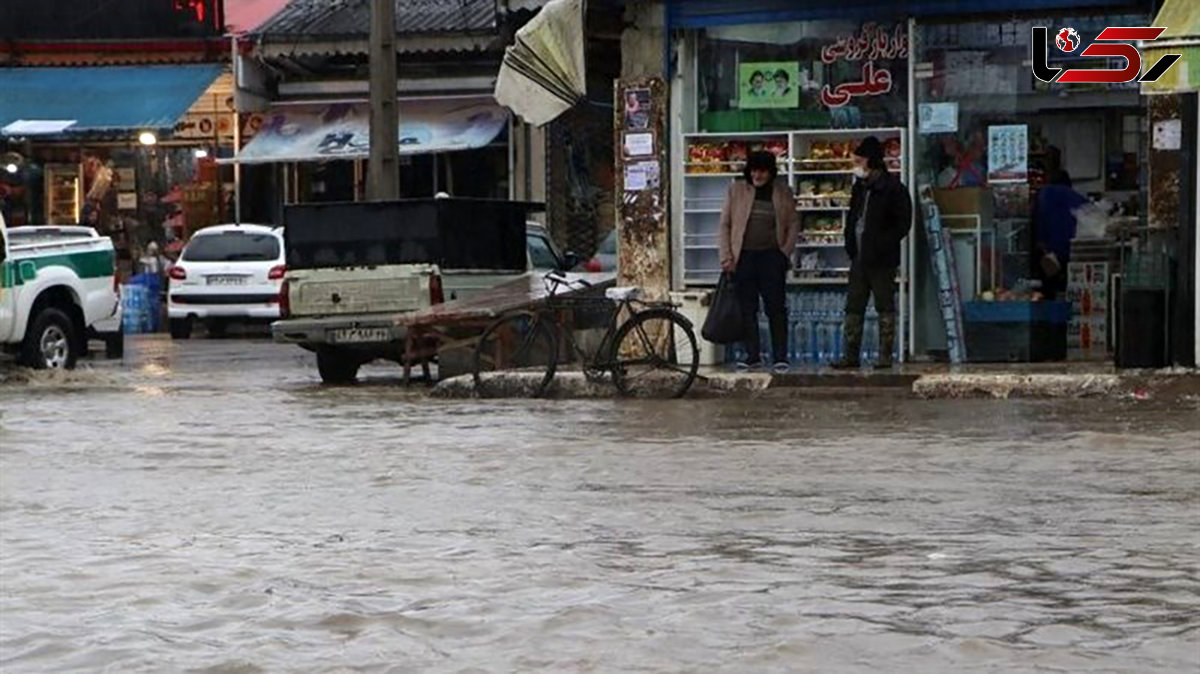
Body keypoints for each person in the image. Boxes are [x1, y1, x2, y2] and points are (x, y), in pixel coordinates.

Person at [833, 137, 912, 370]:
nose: (857, 165)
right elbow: (853, 218)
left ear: (872, 161)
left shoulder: (893, 188)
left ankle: (885, 356)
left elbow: (903, 223)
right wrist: (850, 244)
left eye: (860, 160)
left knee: (884, 306)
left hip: (882, 259)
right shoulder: (860, 187)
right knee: (853, 307)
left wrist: (883, 243)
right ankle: (850, 355)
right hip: (859, 257)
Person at [719, 151, 798, 372]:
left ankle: (780, 356)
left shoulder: (783, 193)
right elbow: (725, 224)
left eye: (762, 171)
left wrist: (785, 253)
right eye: (754, 170)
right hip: (743, 257)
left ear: (771, 172)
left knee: (776, 308)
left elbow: (793, 224)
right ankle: (752, 354)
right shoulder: (736, 191)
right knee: (747, 308)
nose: (757, 175)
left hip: (772, 257)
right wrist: (726, 256)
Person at [1033, 170, 1088, 300]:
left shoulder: (1043, 194)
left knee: (1048, 287)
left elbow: (1037, 220)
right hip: (1072, 250)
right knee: (1069, 285)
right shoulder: (1076, 197)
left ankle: (1049, 312)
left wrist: (1040, 244)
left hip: (1049, 250)